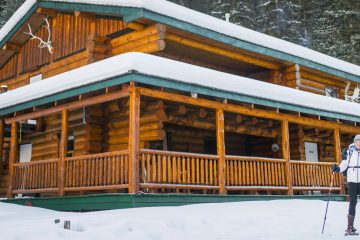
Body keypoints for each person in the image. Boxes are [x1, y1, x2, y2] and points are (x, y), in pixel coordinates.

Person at [332, 134, 360, 236]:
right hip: (352, 181)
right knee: (352, 203)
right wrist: (338, 169)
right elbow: (344, 164)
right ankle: (350, 227)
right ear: (354, 142)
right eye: (357, 141)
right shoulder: (349, 151)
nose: (359, 143)